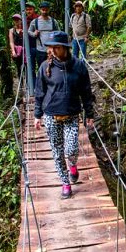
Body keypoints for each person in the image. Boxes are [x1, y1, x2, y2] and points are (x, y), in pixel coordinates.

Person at [34, 31, 95, 199]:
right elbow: (39, 91)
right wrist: (37, 115)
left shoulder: (79, 66)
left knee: (71, 150)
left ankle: (73, 165)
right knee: (57, 151)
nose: (53, 50)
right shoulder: (45, 67)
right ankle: (65, 182)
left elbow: (86, 92)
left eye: (56, 47)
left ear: (66, 48)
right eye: (51, 47)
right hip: (51, 115)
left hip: (71, 115)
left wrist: (89, 113)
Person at [28, 0, 61, 68]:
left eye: (46, 10)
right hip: (40, 50)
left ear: (49, 10)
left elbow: (59, 32)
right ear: (40, 10)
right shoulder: (35, 21)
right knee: (42, 68)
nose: (44, 11)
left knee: (53, 68)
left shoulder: (53, 21)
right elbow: (29, 31)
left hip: (52, 50)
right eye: (43, 10)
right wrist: (34, 34)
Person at [24, 2, 38, 72]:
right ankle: (33, 82)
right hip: (29, 46)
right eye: (27, 10)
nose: (28, 11)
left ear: (34, 9)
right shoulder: (24, 20)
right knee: (31, 68)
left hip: (39, 46)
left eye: (30, 9)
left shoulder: (38, 19)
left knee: (41, 66)